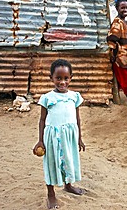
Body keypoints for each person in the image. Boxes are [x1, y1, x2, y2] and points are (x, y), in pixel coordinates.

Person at [33, 59, 86, 209]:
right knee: (51, 163)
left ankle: (68, 185)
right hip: (52, 137)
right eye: (58, 78)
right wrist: (40, 141)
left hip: (69, 136)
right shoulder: (47, 98)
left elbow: (77, 118)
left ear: (71, 78)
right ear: (51, 78)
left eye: (66, 78)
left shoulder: (75, 96)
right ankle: (51, 194)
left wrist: (79, 138)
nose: (62, 82)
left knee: (68, 160)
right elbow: (42, 120)